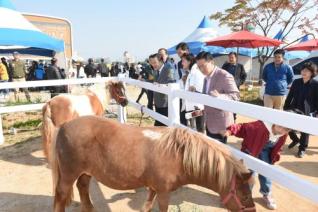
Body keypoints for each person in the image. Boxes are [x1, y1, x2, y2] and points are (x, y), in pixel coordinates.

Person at [223, 121, 290, 210]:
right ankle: (245, 196)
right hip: (251, 150)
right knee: (249, 174)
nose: (282, 130)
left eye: (286, 129)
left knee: (266, 173)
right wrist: (230, 130)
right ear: (274, 122)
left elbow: (278, 146)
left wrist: (276, 154)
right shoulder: (261, 126)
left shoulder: (283, 134)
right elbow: (243, 127)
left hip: (266, 152)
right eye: (280, 126)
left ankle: (266, 193)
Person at [196, 51, 239, 143]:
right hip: (209, 122)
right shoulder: (206, 77)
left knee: (218, 154)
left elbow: (236, 96)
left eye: (203, 66)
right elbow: (208, 96)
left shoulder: (224, 75)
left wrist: (220, 97)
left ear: (212, 62)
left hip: (221, 124)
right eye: (199, 67)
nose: (201, 69)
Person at [284, 62, 318, 158]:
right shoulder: (296, 82)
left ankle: (302, 148)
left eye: (307, 71)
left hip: (308, 110)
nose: (304, 72)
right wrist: (286, 106)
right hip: (294, 107)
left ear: (312, 73)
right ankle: (295, 139)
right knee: (287, 124)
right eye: (303, 70)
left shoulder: (316, 84)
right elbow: (290, 95)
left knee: (304, 130)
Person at [181, 53, 205, 132]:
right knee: (196, 128)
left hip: (197, 106)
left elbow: (202, 88)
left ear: (189, 61)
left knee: (199, 129)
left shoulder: (197, 72)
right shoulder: (191, 72)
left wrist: (194, 89)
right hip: (193, 105)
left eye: (183, 61)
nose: (182, 63)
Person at [150, 53, 174, 126]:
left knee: (163, 126)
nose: (153, 65)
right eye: (151, 63)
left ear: (161, 61)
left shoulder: (168, 69)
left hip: (166, 103)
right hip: (158, 103)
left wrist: (160, 86)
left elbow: (172, 82)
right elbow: (154, 82)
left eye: (154, 62)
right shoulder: (155, 70)